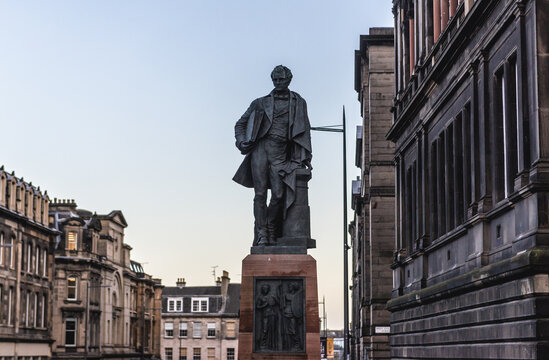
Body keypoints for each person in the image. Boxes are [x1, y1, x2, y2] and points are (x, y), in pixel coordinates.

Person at [233, 65, 312, 246]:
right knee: (260, 194)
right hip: (260, 149)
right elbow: (240, 124)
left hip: (281, 152)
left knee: (278, 194)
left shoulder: (298, 103)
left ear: (289, 80)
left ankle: (269, 228)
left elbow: (305, 130)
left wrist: (305, 156)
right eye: (275, 80)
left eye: (281, 80)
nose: (277, 83)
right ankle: (262, 234)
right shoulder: (259, 102)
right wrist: (241, 141)